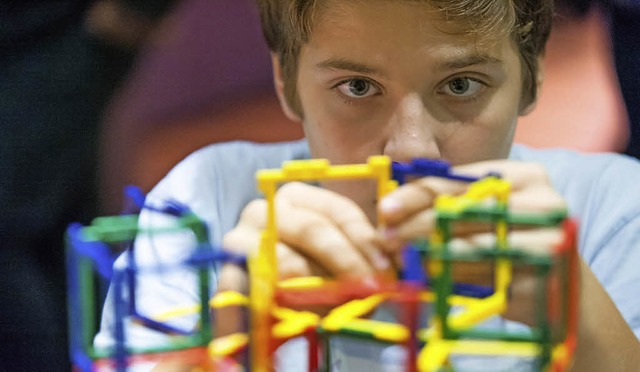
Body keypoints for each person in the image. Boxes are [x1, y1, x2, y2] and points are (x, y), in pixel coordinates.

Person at [94, 0, 640, 370]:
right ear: (286, 81)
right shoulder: (207, 198)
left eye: (461, 84)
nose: (409, 150)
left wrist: (585, 325)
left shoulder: (614, 209)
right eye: (357, 86)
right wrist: (229, 339)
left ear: (532, 77)